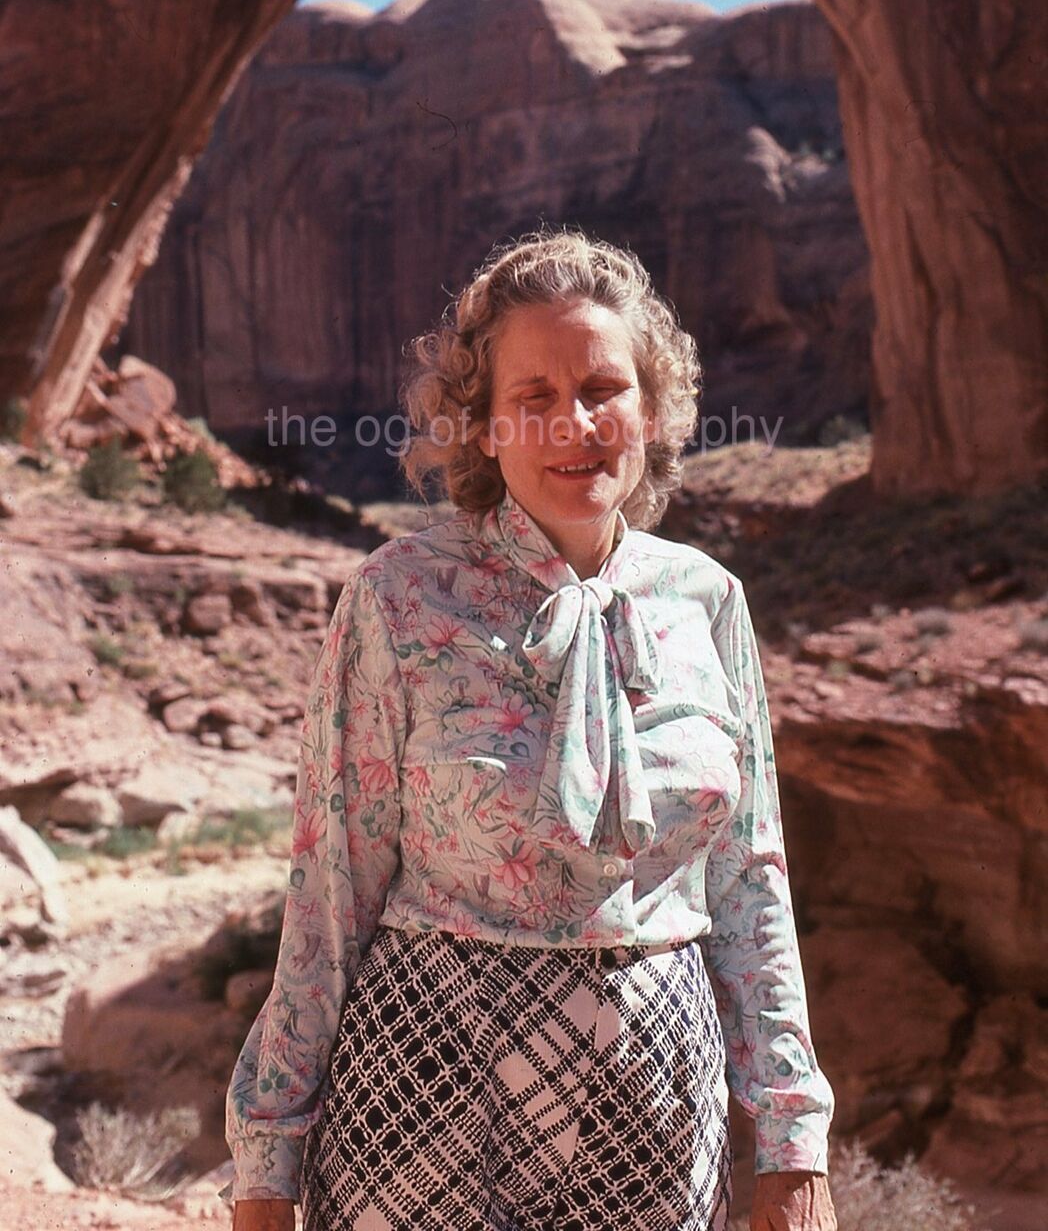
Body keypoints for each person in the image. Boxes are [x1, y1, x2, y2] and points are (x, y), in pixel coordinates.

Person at [221, 229, 838, 1231]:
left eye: (602, 387)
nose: (574, 423)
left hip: (653, 1120)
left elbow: (748, 884)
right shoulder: (399, 602)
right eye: (533, 398)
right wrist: (265, 1167)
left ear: (652, 407)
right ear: (486, 426)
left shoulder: (706, 602)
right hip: (421, 1117)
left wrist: (791, 1135)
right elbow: (327, 892)